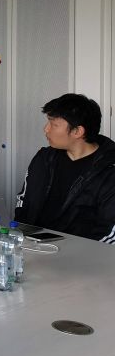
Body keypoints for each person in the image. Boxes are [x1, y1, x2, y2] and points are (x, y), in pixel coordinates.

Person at [15, 93, 115, 243]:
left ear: (77, 131)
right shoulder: (44, 158)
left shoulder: (110, 171)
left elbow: (109, 233)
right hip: (32, 245)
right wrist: (19, 236)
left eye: (54, 124)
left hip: (80, 253)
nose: (46, 129)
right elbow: (23, 202)